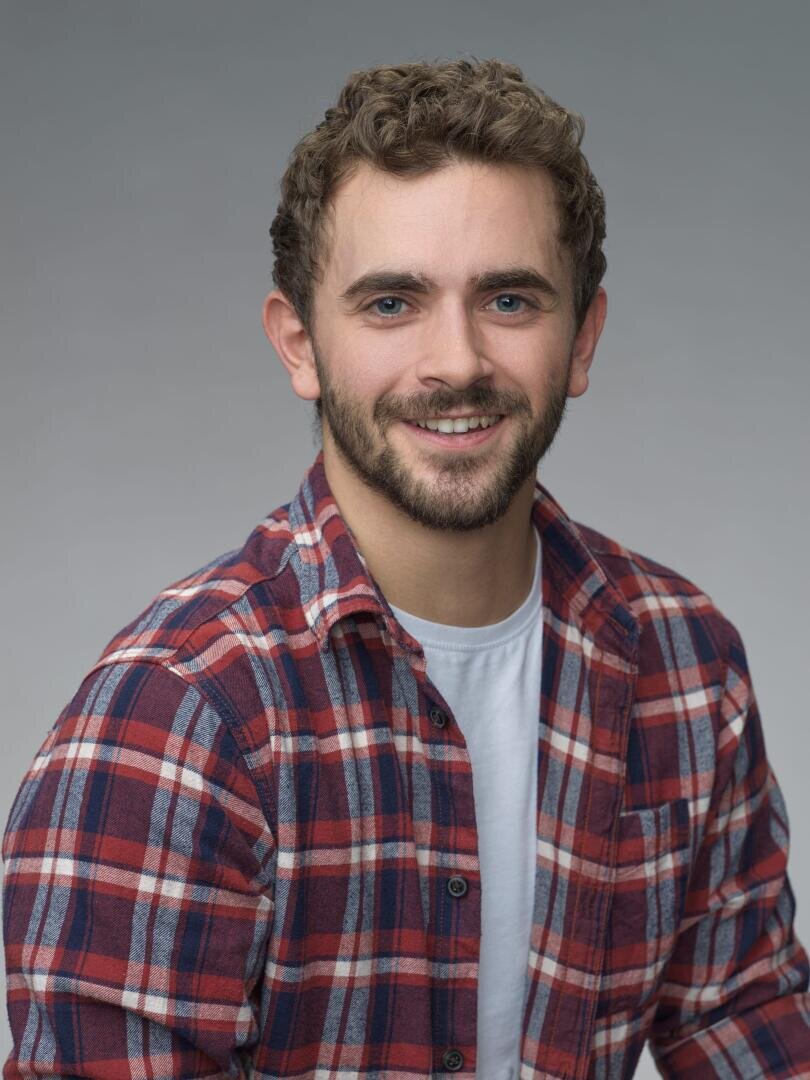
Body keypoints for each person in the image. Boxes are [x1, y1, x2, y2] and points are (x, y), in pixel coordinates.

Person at [3, 57, 809, 1080]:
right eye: (392, 304)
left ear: (583, 338)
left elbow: (751, 1037)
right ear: (300, 343)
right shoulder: (177, 717)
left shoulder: (684, 666)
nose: (458, 360)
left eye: (510, 299)